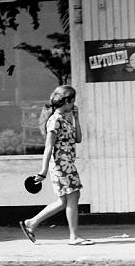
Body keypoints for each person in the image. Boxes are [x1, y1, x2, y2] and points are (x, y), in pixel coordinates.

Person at [19, 85, 93, 246]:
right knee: (73, 197)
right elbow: (48, 147)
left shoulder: (64, 119)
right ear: (67, 101)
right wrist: (43, 171)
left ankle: (31, 223)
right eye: (72, 101)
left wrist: (76, 118)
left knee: (64, 201)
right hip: (61, 165)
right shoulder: (54, 121)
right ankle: (74, 236)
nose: (74, 104)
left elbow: (78, 138)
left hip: (66, 164)